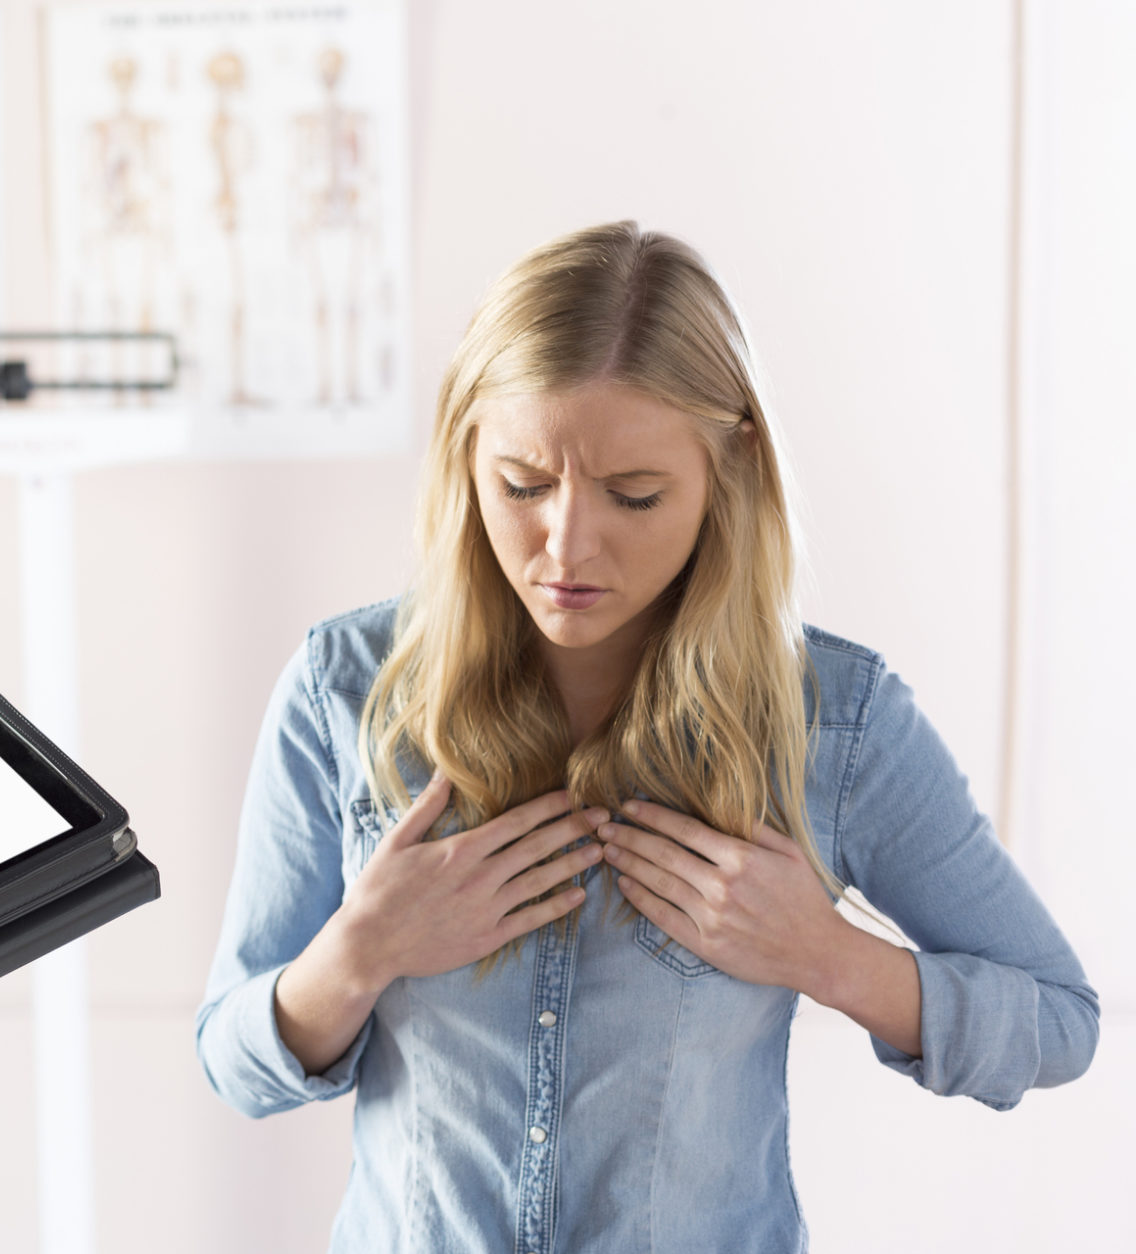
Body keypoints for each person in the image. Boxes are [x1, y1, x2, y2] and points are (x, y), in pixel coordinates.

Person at [195, 222, 1098, 1252]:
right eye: (522, 484)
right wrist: (355, 955)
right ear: (463, 456)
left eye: (633, 495)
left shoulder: (836, 722)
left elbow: (1058, 1023)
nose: (566, 545)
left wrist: (827, 954)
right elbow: (231, 1058)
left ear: (728, 469)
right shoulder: (340, 691)